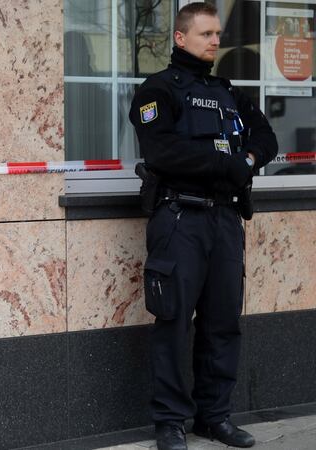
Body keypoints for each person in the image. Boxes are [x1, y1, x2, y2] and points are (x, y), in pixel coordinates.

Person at [129, 3, 278, 450]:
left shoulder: (228, 92)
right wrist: (227, 164)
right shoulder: (157, 91)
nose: (216, 40)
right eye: (206, 34)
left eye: (217, 34)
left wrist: (247, 161)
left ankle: (214, 417)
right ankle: (170, 423)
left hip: (225, 220)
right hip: (180, 220)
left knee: (222, 323)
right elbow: (162, 152)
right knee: (173, 323)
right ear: (181, 38)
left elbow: (265, 138)